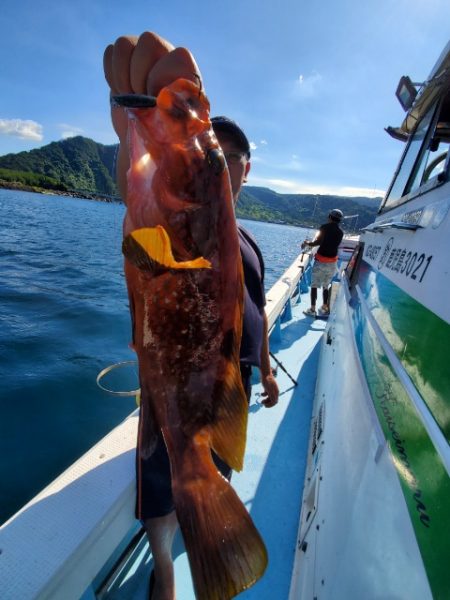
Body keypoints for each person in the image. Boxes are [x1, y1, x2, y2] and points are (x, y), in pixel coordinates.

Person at [103, 32, 279, 600]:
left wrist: (268, 366)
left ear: (244, 172)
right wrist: (133, 128)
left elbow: (249, 309)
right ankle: (167, 569)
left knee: (208, 471)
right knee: (162, 487)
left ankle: (198, 523)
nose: (216, 164)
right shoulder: (172, 218)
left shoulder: (247, 243)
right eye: (210, 154)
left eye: (225, 159)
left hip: (230, 384)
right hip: (174, 394)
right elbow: (140, 212)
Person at [301, 209, 344, 317]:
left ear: (329, 217)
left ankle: (312, 309)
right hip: (332, 263)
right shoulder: (340, 232)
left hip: (321, 261)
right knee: (326, 285)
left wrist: (307, 243)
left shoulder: (324, 227)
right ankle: (325, 307)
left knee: (314, 285)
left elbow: (317, 242)